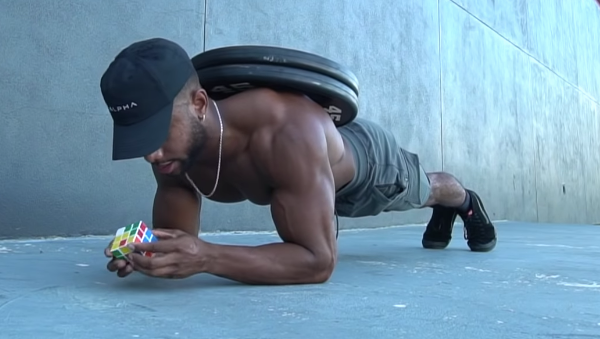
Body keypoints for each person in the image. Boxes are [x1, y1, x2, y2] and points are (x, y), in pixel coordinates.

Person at [99, 38, 497, 285]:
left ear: (200, 104)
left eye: (158, 133)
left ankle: (463, 201)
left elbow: (317, 262)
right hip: (306, 186)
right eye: (142, 139)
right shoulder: (172, 151)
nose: (151, 153)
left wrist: (208, 256)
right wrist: (148, 254)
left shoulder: (285, 133)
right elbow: (177, 238)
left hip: (366, 171)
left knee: (425, 189)